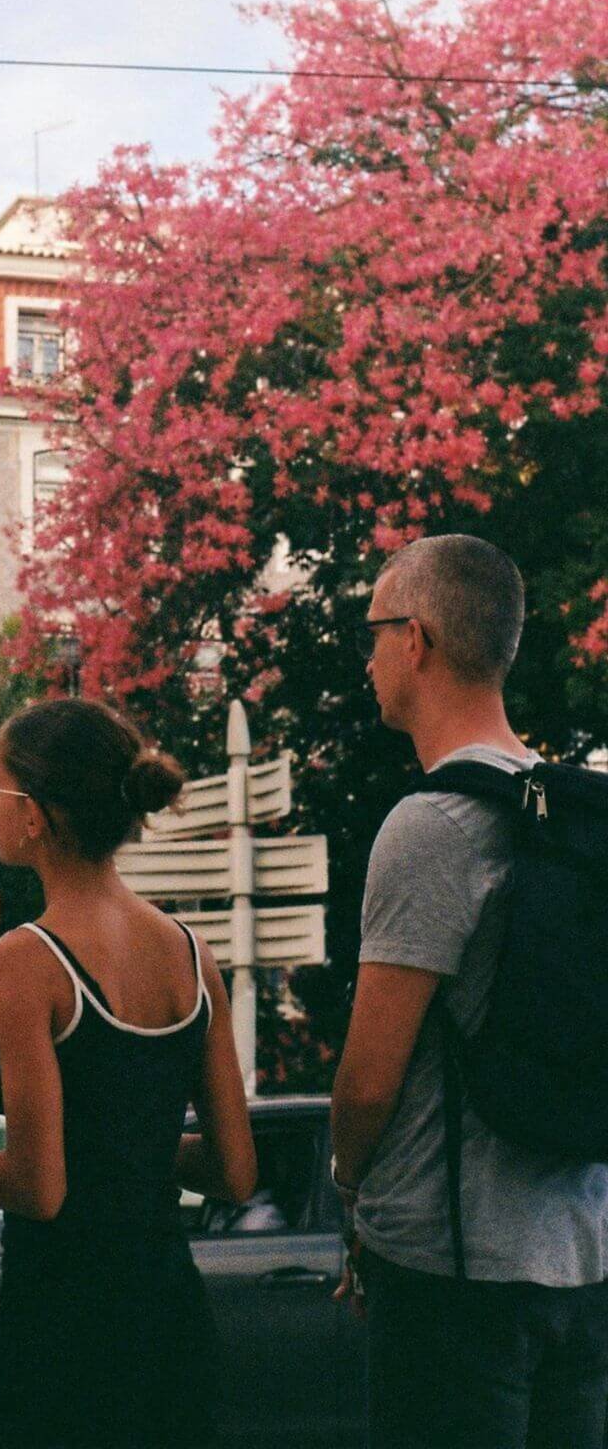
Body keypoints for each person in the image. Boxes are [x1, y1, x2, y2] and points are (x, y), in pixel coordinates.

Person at [331, 534, 608, 1449]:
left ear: (415, 639)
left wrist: (348, 1188)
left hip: (454, 1275)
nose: (367, 658)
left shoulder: (431, 825)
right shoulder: (573, 813)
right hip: (584, 1259)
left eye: (372, 633)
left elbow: (369, 1081)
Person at [0, 697, 256, 1449]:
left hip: (67, 1325)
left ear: (36, 814)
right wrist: (129, 1149)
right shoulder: (193, 955)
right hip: (171, 1314)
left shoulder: (28, 959)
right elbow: (235, 1171)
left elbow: (38, 1186)